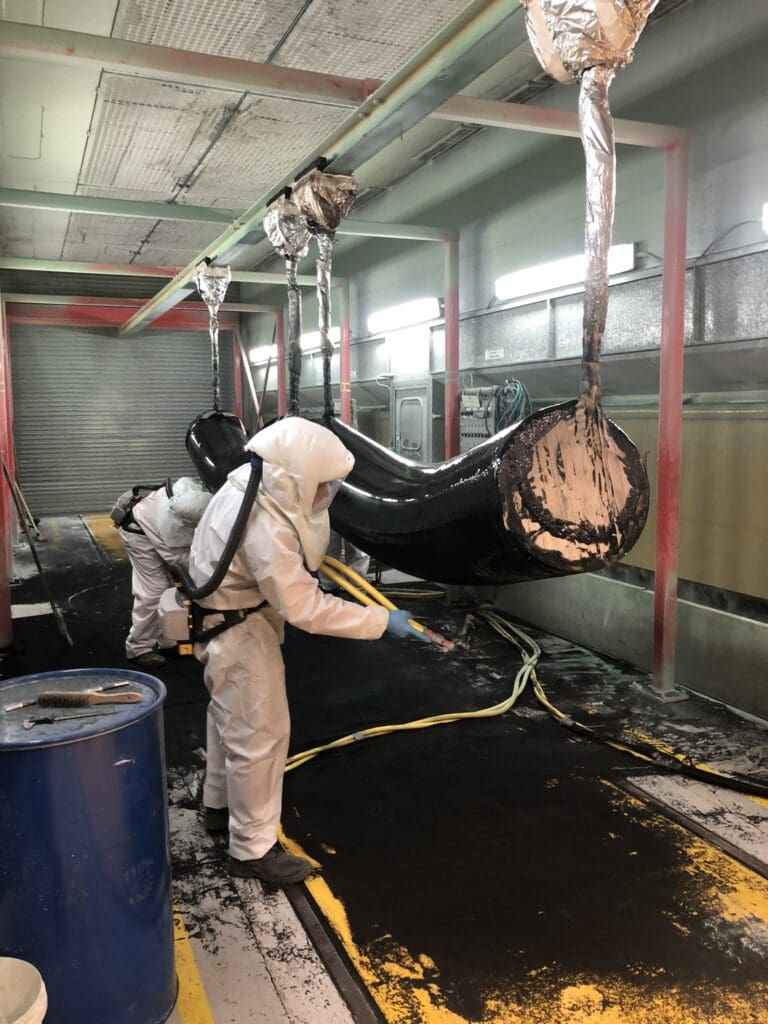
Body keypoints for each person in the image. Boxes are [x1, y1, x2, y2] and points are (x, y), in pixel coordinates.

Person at [188, 417, 427, 886]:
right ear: (294, 474)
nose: (323, 497)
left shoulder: (248, 485)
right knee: (261, 736)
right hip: (239, 633)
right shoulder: (265, 524)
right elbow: (305, 607)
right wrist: (382, 621)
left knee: (228, 725)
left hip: (225, 622)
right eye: (321, 486)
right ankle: (252, 849)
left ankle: (219, 807)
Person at [113, 477, 210, 667]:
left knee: (175, 588)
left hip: (153, 524)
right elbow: (177, 561)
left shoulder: (193, 496)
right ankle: (138, 648)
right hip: (137, 531)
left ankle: (169, 640)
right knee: (154, 590)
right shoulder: (168, 524)